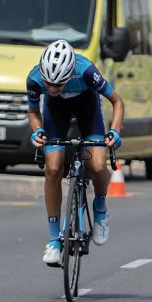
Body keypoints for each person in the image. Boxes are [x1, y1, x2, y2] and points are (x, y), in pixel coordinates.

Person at [27, 39, 125, 267]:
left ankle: (100, 208)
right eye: (48, 83)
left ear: (70, 74)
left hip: (87, 107)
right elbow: (33, 112)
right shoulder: (33, 79)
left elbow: (117, 102)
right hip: (55, 111)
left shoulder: (87, 72)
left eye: (59, 84)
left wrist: (115, 131)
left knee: (98, 165)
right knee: (52, 167)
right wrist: (37, 130)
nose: (52, 88)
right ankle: (54, 240)